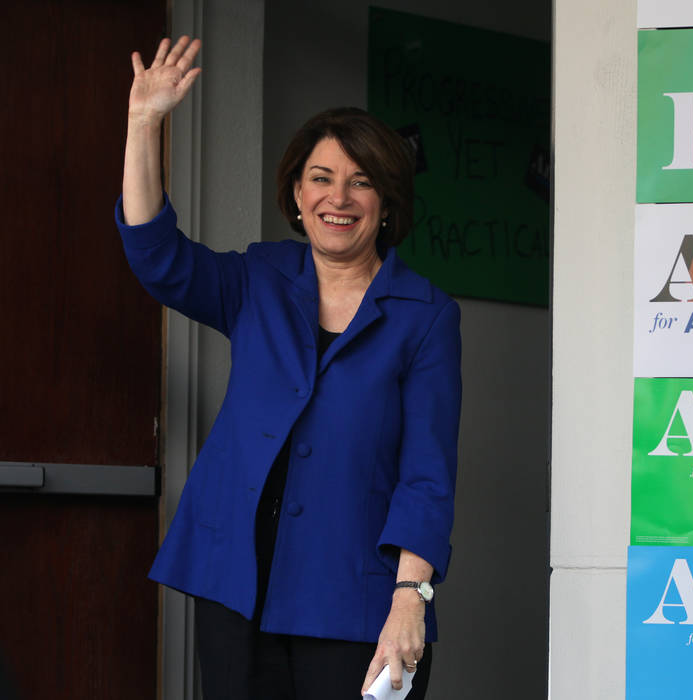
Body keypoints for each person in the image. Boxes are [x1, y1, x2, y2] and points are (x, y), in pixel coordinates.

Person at [118, 36, 461, 699]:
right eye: (322, 178)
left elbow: (428, 474)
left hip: (356, 600)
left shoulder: (426, 315)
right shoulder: (259, 279)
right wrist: (143, 123)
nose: (341, 197)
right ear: (297, 196)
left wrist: (410, 598)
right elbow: (155, 254)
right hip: (234, 585)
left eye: (363, 181)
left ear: (387, 203)